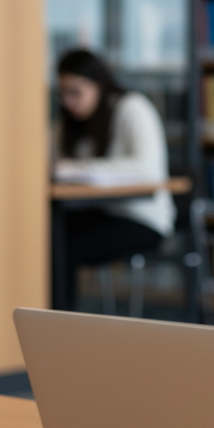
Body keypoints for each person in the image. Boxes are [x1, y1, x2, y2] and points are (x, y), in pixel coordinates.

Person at [54, 49, 175, 305]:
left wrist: (81, 170)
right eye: (63, 93)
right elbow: (49, 162)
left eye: (76, 92)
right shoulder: (72, 123)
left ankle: (58, 326)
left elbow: (148, 168)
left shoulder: (132, 108)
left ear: (98, 85)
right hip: (100, 210)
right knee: (43, 234)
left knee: (64, 248)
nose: (68, 101)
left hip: (140, 217)